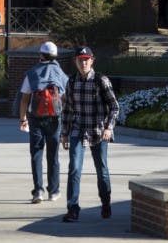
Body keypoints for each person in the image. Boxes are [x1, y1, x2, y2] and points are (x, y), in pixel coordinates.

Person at [60, 45, 119, 223]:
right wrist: (64, 133)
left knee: (102, 171)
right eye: (80, 60)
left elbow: (115, 107)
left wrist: (109, 128)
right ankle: (73, 208)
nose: (83, 62)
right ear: (75, 62)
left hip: (99, 131)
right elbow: (68, 109)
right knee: (74, 169)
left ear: (92, 60)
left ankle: (106, 202)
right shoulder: (71, 82)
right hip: (78, 130)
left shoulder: (101, 80)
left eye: (86, 59)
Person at [18, 41, 69, 204]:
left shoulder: (31, 73)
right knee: (53, 156)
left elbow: (25, 99)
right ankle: (53, 191)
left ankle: (38, 191)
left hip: (35, 118)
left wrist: (22, 118)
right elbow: (66, 97)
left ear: (41, 55)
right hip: (54, 118)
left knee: (36, 154)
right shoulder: (60, 73)